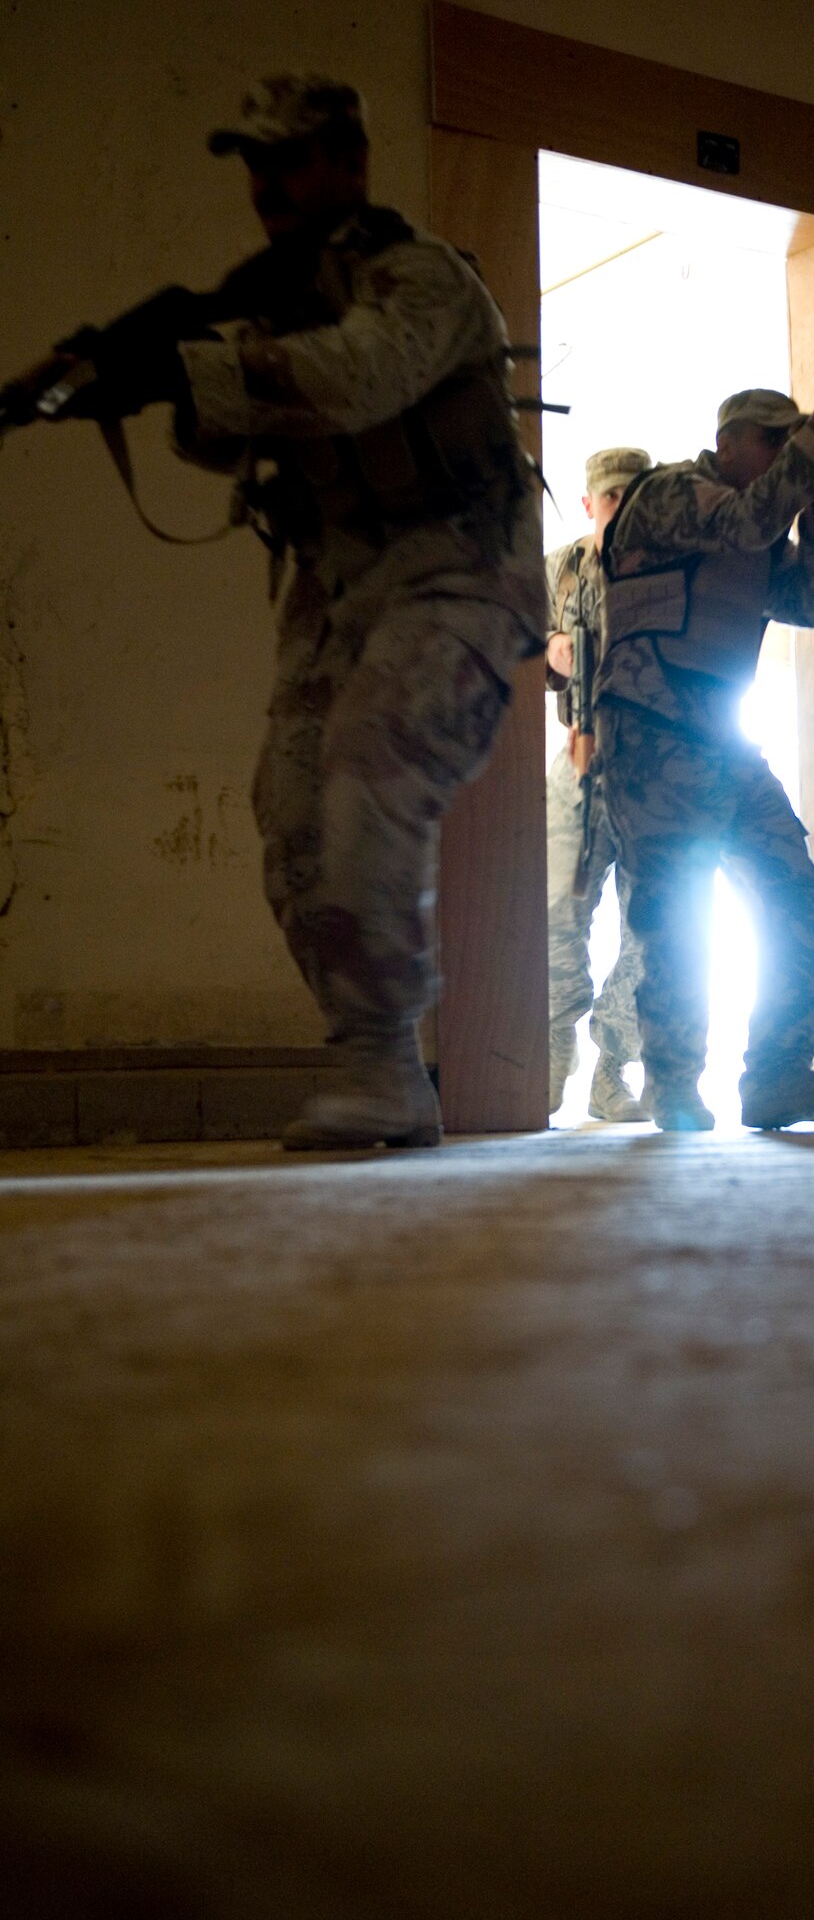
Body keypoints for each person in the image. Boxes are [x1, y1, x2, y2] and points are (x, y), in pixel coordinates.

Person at [77, 73, 546, 1150]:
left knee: (371, 759)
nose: (267, 184)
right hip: (335, 587)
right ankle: (380, 1063)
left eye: (289, 160)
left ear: (346, 162)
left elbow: (359, 376)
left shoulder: (423, 279)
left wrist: (188, 360)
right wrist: (142, 380)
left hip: (459, 573)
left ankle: (376, 1057)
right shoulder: (268, 303)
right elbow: (220, 440)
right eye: (254, 163)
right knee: (291, 819)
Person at [596, 375, 814, 1132]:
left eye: (792, 439)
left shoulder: (758, 526)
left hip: (720, 736)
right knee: (676, 913)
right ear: (726, 443)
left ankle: (778, 1074)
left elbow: (811, 605)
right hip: (651, 731)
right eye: (773, 440)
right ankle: (674, 1084)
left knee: (787, 882)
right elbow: (747, 526)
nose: (787, 451)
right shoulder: (671, 495)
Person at [545, 446, 652, 1123]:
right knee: (558, 914)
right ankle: (553, 1051)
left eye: (633, 498)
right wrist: (550, 650)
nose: (621, 511)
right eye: (610, 499)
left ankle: (614, 1066)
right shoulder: (561, 569)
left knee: (652, 927)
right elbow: (510, 650)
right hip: (581, 761)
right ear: (589, 504)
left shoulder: (674, 569)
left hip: (656, 771)